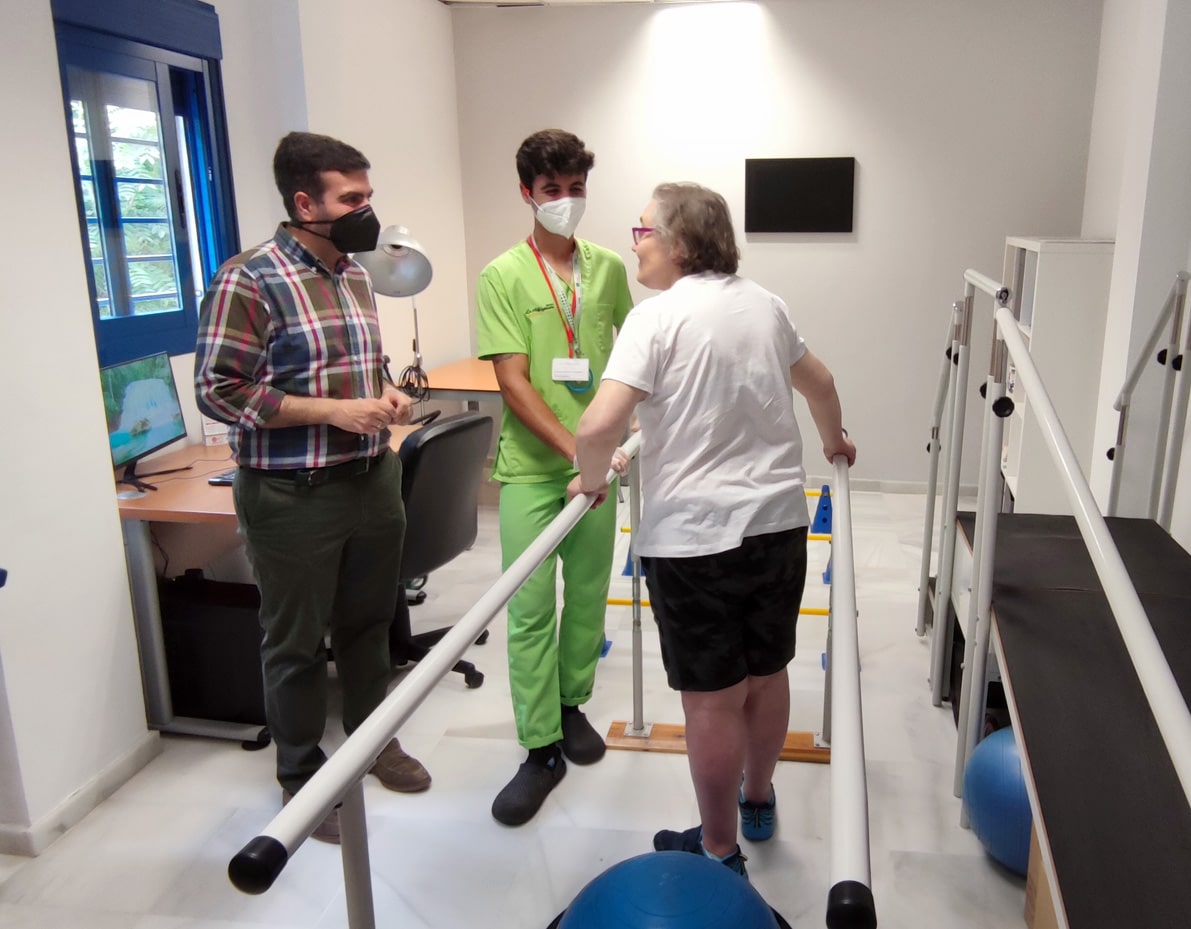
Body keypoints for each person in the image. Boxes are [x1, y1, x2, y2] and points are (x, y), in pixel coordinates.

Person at [570, 182, 856, 877]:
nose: (633, 239)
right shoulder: (766, 304)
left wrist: (590, 478)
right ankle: (757, 796)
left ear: (681, 243)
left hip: (693, 541)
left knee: (710, 699)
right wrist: (834, 442)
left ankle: (719, 848)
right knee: (765, 673)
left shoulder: (656, 317)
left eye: (642, 229)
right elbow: (817, 383)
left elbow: (598, 425)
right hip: (777, 524)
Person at [195, 131, 431, 845]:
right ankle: (301, 776)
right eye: (351, 198)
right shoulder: (250, 278)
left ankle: (370, 741)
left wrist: (385, 395)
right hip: (293, 494)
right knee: (295, 641)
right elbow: (217, 389)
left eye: (367, 194)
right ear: (305, 203)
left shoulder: (356, 274)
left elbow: (360, 369)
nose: (366, 210)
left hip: (370, 477)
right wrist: (332, 411)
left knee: (368, 626)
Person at [475, 129, 634, 826]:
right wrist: (577, 452)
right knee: (530, 606)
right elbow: (512, 381)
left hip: (600, 468)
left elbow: (631, 360)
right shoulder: (502, 275)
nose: (565, 202)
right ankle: (537, 746)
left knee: (590, 596)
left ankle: (571, 705)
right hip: (535, 473)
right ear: (525, 194)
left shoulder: (607, 270)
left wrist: (613, 449)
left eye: (575, 189)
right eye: (551, 191)